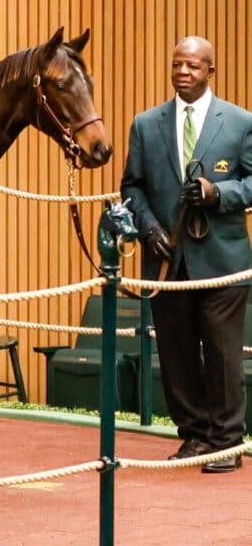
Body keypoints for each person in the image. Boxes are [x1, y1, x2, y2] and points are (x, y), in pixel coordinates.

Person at [121, 35, 252, 472]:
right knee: (176, 353)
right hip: (166, 261)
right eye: (177, 64)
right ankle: (195, 436)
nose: (183, 72)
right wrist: (149, 226)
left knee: (221, 353)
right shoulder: (145, 123)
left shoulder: (239, 121)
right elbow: (132, 187)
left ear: (210, 71)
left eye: (193, 66)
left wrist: (220, 193)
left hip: (222, 261)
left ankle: (227, 441)